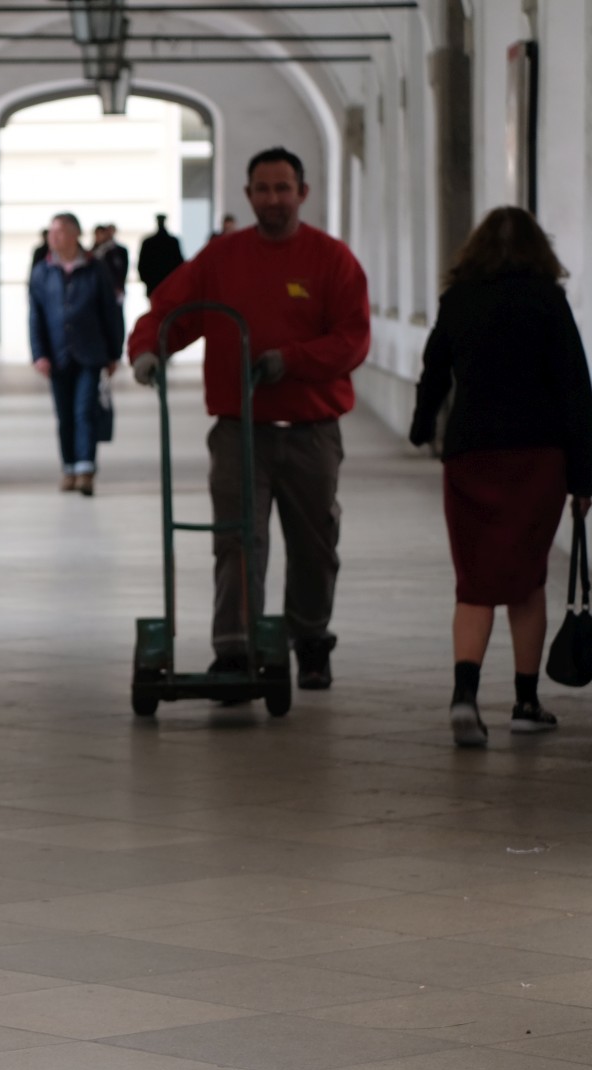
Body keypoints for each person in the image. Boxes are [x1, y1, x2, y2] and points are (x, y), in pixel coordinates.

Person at [130, 146, 370, 691]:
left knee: (315, 542)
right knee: (237, 539)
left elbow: (352, 339)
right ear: (248, 195)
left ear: (303, 193)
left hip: (310, 432)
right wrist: (149, 350)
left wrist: (293, 360)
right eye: (263, 189)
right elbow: (170, 309)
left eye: (283, 188)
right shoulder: (222, 259)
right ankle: (235, 648)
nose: (273, 199)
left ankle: (310, 640)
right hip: (240, 430)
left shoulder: (332, 260)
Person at [409, 207, 592, 745]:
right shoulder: (547, 302)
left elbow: (434, 370)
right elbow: (576, 389)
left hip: (472, 454)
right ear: (540, 251)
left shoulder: (458, 301)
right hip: (538, 457)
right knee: (526, 579)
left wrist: (422, 427)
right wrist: (585, 477)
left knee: (475, 580)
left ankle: (464, 695)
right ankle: (525, 701)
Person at [30, 213, 123, 494]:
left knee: (84, 411)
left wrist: (114, 353)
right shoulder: (42, 271)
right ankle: (69, 467)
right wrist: (39, 354)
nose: (52, 238)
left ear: (73, 235)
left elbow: (111, 312)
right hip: (58, 355)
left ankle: (85, 469)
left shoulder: (96, 269)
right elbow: (36, 316)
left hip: (90, 353)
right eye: (50, 233)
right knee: (65, 414)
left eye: (58, 232)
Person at [138, 212, 184, 296]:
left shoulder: (149, 242)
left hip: (156, 284)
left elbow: (142, 265)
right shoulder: (172, 242)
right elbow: (179, 263)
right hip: (167, 283)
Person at [93, 222, 131, 302]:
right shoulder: (95, 251)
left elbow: (122, 270)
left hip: (114, 287)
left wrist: (119, 286)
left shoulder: (117, 251)